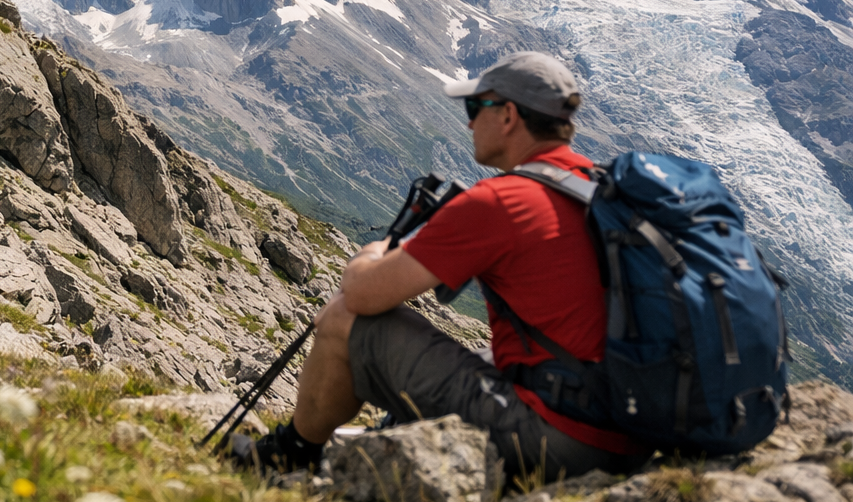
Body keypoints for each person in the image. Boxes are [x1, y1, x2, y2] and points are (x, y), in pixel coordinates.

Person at [236, 52, 644, 480]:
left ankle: (289, 456)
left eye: (475, 108)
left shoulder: (502, 201)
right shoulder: (601, 189)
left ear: (508, 115)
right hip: (634, 433)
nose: (469, 123)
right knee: (483, 353)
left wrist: (374, 253)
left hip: (563, 443)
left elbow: (361, 295)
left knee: (343, 317)